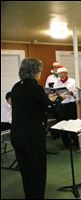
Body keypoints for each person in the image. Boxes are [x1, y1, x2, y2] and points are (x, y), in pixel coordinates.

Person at [10, 58, 58, 199]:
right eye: (39, 71)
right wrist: (55, 100)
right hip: (32, 137)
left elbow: (29, 104)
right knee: (37, 171)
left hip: (17, 135)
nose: (40, 74)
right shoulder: (36, 88)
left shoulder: (16, 87)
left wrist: (44, 98)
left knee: (25, 169)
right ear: (35, 72)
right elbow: (50, 109)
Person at [53, 67, 79, 149]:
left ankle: (76, 142)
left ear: (67, 73)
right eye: (60, 74)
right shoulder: (56, 83)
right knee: (63, 124)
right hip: (62, 106)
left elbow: (77, 93)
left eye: (63, 73)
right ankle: (66, 143)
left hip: (71, 105)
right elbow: (55, 94)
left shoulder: (73, 81)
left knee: (73, 124)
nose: (62, 75)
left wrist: (72, 93)